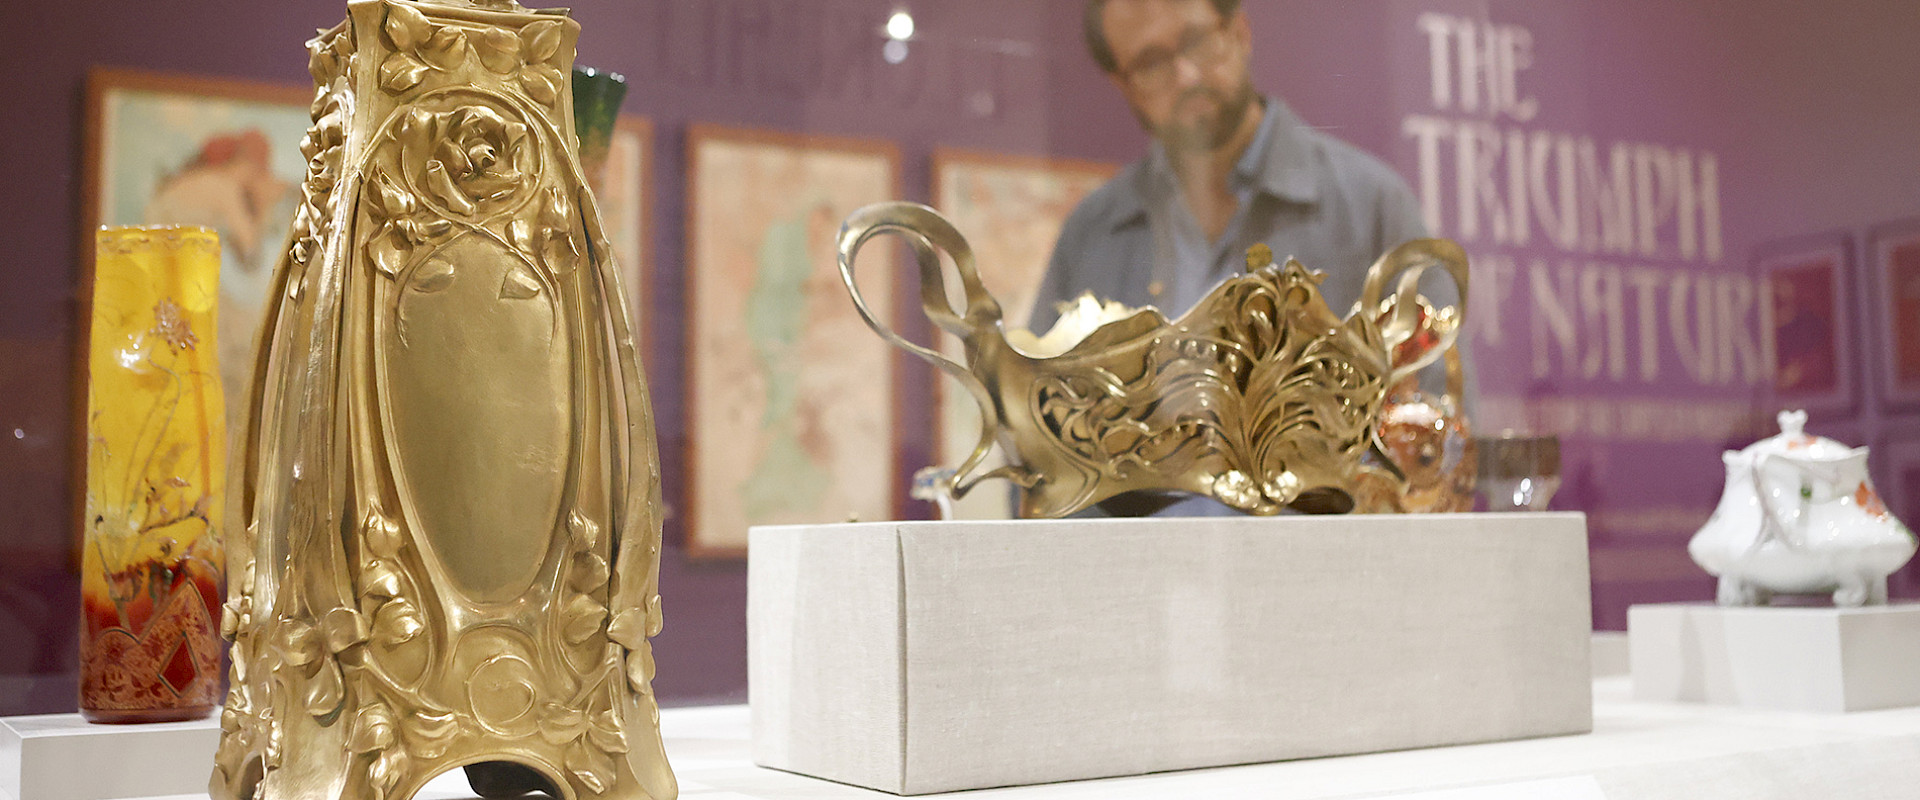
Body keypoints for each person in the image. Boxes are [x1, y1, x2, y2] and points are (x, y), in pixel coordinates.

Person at [1032, 0, 1463, 515]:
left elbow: (1442, 444)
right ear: (1122, 84)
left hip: (1331, 583)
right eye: (1150, 62)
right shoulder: (1091, 234)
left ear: (1239, 31)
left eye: (1196, 42)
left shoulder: (1370, 207)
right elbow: (1042, 454)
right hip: (1136, 587)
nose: (1186, 74)